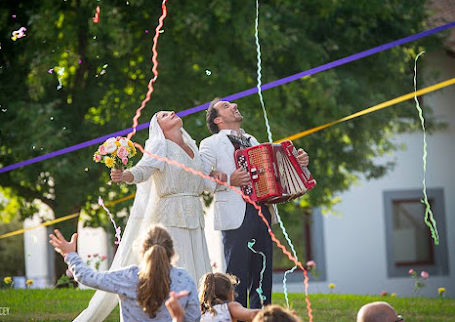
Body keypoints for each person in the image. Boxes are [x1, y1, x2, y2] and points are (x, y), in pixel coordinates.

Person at [75, 111, 223, 321]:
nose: (171, 112)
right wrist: (124, 175)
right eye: (164, 114)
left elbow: (203, 182)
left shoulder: (192, 147)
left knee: (200, 266)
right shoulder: (160, 145)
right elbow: (143, 171)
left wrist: (224, 180)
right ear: (159, 127)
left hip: (195, 214)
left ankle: (203, 314)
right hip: (172, 214)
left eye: (170, 111)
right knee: (179, 265)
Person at [199, 98, 309, 309]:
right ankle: (237, 315)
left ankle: (262, 315)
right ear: (218, 119)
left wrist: (298, 162)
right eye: (226, 106)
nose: (234, 106)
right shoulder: (210, 143)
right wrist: (230, 180)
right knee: (236, 274)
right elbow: (199, 178)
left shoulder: (253, 140)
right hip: (235, 214)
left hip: (263, 210)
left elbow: (274, 171)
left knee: (262, 272)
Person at [48, 225, 201, 322]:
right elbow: (194, 318)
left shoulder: (128, 277)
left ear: (141, 251)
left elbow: (87, 278)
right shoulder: (185, 279)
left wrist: (70, 255)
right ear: (172, 251)